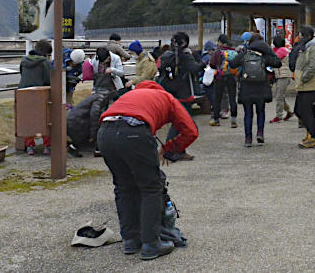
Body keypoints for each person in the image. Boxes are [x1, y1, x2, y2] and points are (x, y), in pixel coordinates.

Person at [98, 80, 199, 260]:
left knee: (123, 187)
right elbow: (191, 131)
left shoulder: (129, 95)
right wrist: (169, 148)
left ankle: (130, 240)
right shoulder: (166, 97)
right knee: (151, 187)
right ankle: (151, 244)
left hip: (105, 132)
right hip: (135, 131)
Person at [229, 33, 281, 146]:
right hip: (261, 87)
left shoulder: (245, 53)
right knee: (260, 111)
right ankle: (260, 133)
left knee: (248, 113)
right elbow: (278, 63)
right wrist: (269, 52)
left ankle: (248, 139)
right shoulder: (264, 55)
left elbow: (232, 64)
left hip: (246, 87)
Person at [158, 32, 204, 161]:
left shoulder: (167, 55)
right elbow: (194, 68)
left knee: (179, 121)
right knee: (182, 122)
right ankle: (169, 150)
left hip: (171, 92)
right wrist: (202, 63)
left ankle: (179, 150)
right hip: (184, 92)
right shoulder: (185, 55)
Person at [18, 40, 52, 155]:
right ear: (46, 53)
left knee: (28, 119)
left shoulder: (24, 61)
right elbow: (48, 80)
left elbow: (22, 74)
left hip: (23, 92)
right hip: (39, 93)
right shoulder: (45, 63)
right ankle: (47, 146)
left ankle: (30, 147)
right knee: (45, 118)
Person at [292, 25, 315, 149]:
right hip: (303, 86)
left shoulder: (312, 48)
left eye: (301, 35)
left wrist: (303, 77)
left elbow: (314, 66)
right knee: (300, 110)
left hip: (310, 86)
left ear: (308, 37)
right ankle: (310, 133)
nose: (299, 37)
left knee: (306, 111)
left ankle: (312, 136)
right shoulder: (305, 48)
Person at [209, 34, 239, 128]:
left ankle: (216, 120)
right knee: (232, 98)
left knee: (218, 98)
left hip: (220, 78)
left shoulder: (217, 52)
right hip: (232, 77)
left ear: (220, 42)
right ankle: (233, 120)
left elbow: (212, 64)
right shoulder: (233, 51)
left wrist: (218, 69)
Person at [67, 92, 109, 157]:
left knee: (81, 136)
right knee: (97, 126)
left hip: (73, 120)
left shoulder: (96, 96)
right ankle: (97, 150)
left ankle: (73, 148)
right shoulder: (100, 99)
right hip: (77, 122)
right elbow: (94, 115)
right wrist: (93, 134)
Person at [270, 35, 294, 123]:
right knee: (280, 96)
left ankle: (278, 116)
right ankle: (289, 112)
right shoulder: (282, 49)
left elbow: (273, 60)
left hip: (283, 75)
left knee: (279, 96)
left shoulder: (281, 51)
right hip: (282, 75)